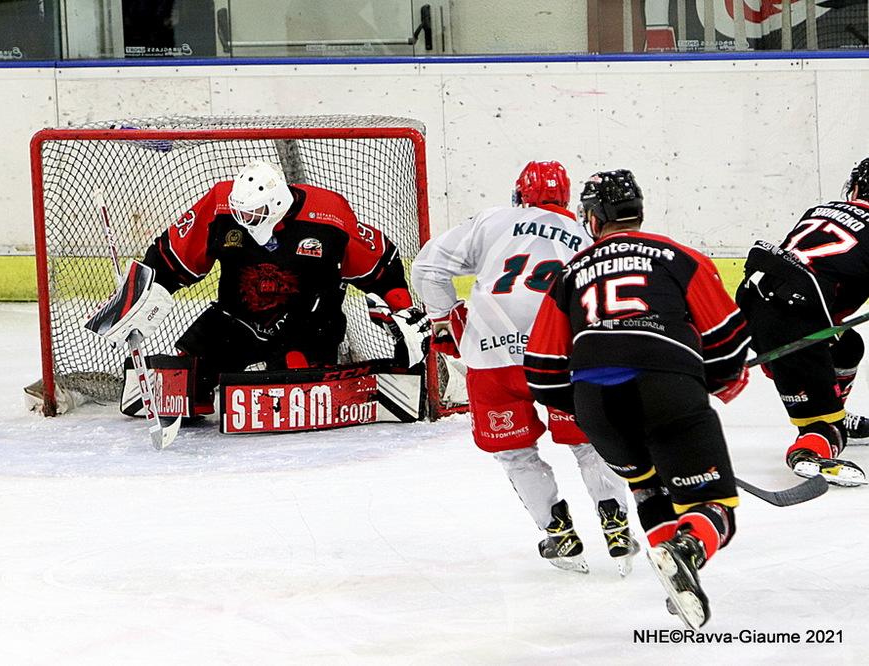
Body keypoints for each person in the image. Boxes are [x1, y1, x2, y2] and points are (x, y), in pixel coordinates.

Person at [525, 169, 749, 629]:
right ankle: (687, 549)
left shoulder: (570, 273)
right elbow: (728, 343)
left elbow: (543, 373)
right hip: (667, 387)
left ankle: (678, 583)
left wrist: (587, 403)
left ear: (593, 218)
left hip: (597, 403)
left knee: (647, 488)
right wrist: (700, 383)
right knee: (714, 508)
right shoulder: (679, 256)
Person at [411, 161, 638, 575]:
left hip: (491, 356)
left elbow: (428, 267)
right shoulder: (585, 235)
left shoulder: (492, 220)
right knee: (589, 445)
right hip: (557, 357)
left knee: (515, 454)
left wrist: (444, 319)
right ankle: (616, 523)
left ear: (519, 194)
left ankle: (558, 532)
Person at [87, 160, 430, 417]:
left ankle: (298, 369)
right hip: (236, 320)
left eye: (254, 214)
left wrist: (400, 307)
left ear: (277, 204)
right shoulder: (221, 205)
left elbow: (380, 266)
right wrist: (135, 300)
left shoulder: (329, 215)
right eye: (241, 213)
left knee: (295, 384)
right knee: (186, 377)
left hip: (308, 325)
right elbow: (171, 259)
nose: (245, 220)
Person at [735, 157, 869, 487]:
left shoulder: (822, 210)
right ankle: (809, 450)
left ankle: (832, 408)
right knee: (826, 430)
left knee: (848, 345)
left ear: (856, 188)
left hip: (755, 299)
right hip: (794, 320)